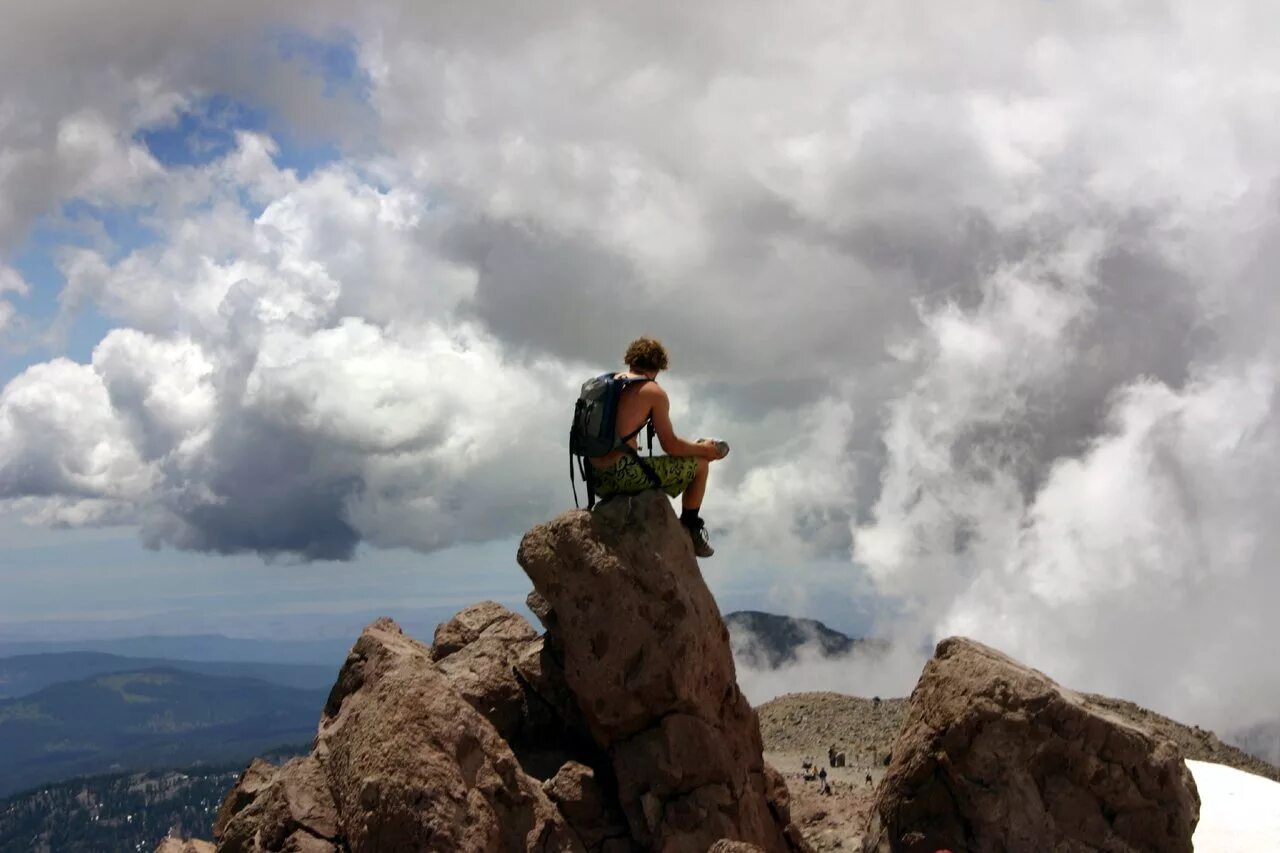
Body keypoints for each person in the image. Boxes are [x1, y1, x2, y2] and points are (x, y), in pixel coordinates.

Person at [590, 337, 728, 557]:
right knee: (701, 465)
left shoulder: (607, 384)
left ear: (630, 359)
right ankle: (690, 528)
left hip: (595, 477)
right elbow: (671, 445)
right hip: (622, 474)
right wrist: (705, 450)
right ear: (659, 366)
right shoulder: (653, 391)